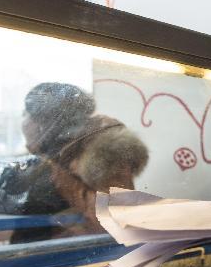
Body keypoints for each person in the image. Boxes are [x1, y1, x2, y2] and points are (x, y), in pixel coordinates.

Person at [20, 82, 149, 237]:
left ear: (42, 122)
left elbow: (113, 220)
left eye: (25, 114)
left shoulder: (103, 150)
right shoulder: (60, 153)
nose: (23, 121)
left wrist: (61, 241)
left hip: (94, 252)